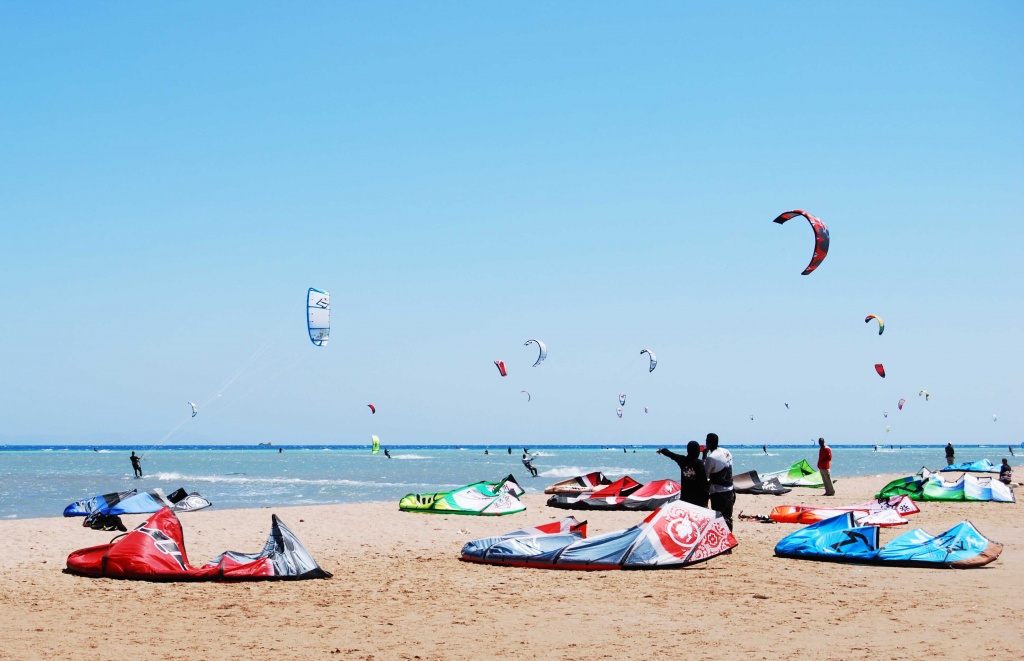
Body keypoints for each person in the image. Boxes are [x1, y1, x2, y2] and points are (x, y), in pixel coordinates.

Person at [657, 441, 709, 507]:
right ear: (698, 451)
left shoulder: (683, 460)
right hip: (698, 499)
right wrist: (706, 498)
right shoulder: (699, 464)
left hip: (685, 498)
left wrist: (662, 450)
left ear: (688, 450)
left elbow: (671, 454)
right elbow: (704, 482)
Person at [703, 433, 734, 531]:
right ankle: (729, 537)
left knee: (719, 517)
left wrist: (704, 456)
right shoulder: (726, 451)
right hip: (730, 489)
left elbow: (704, 474)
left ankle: (722, 538)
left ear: (709, 443)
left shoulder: (711, 458)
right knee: (728, 516)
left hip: (718, 492)